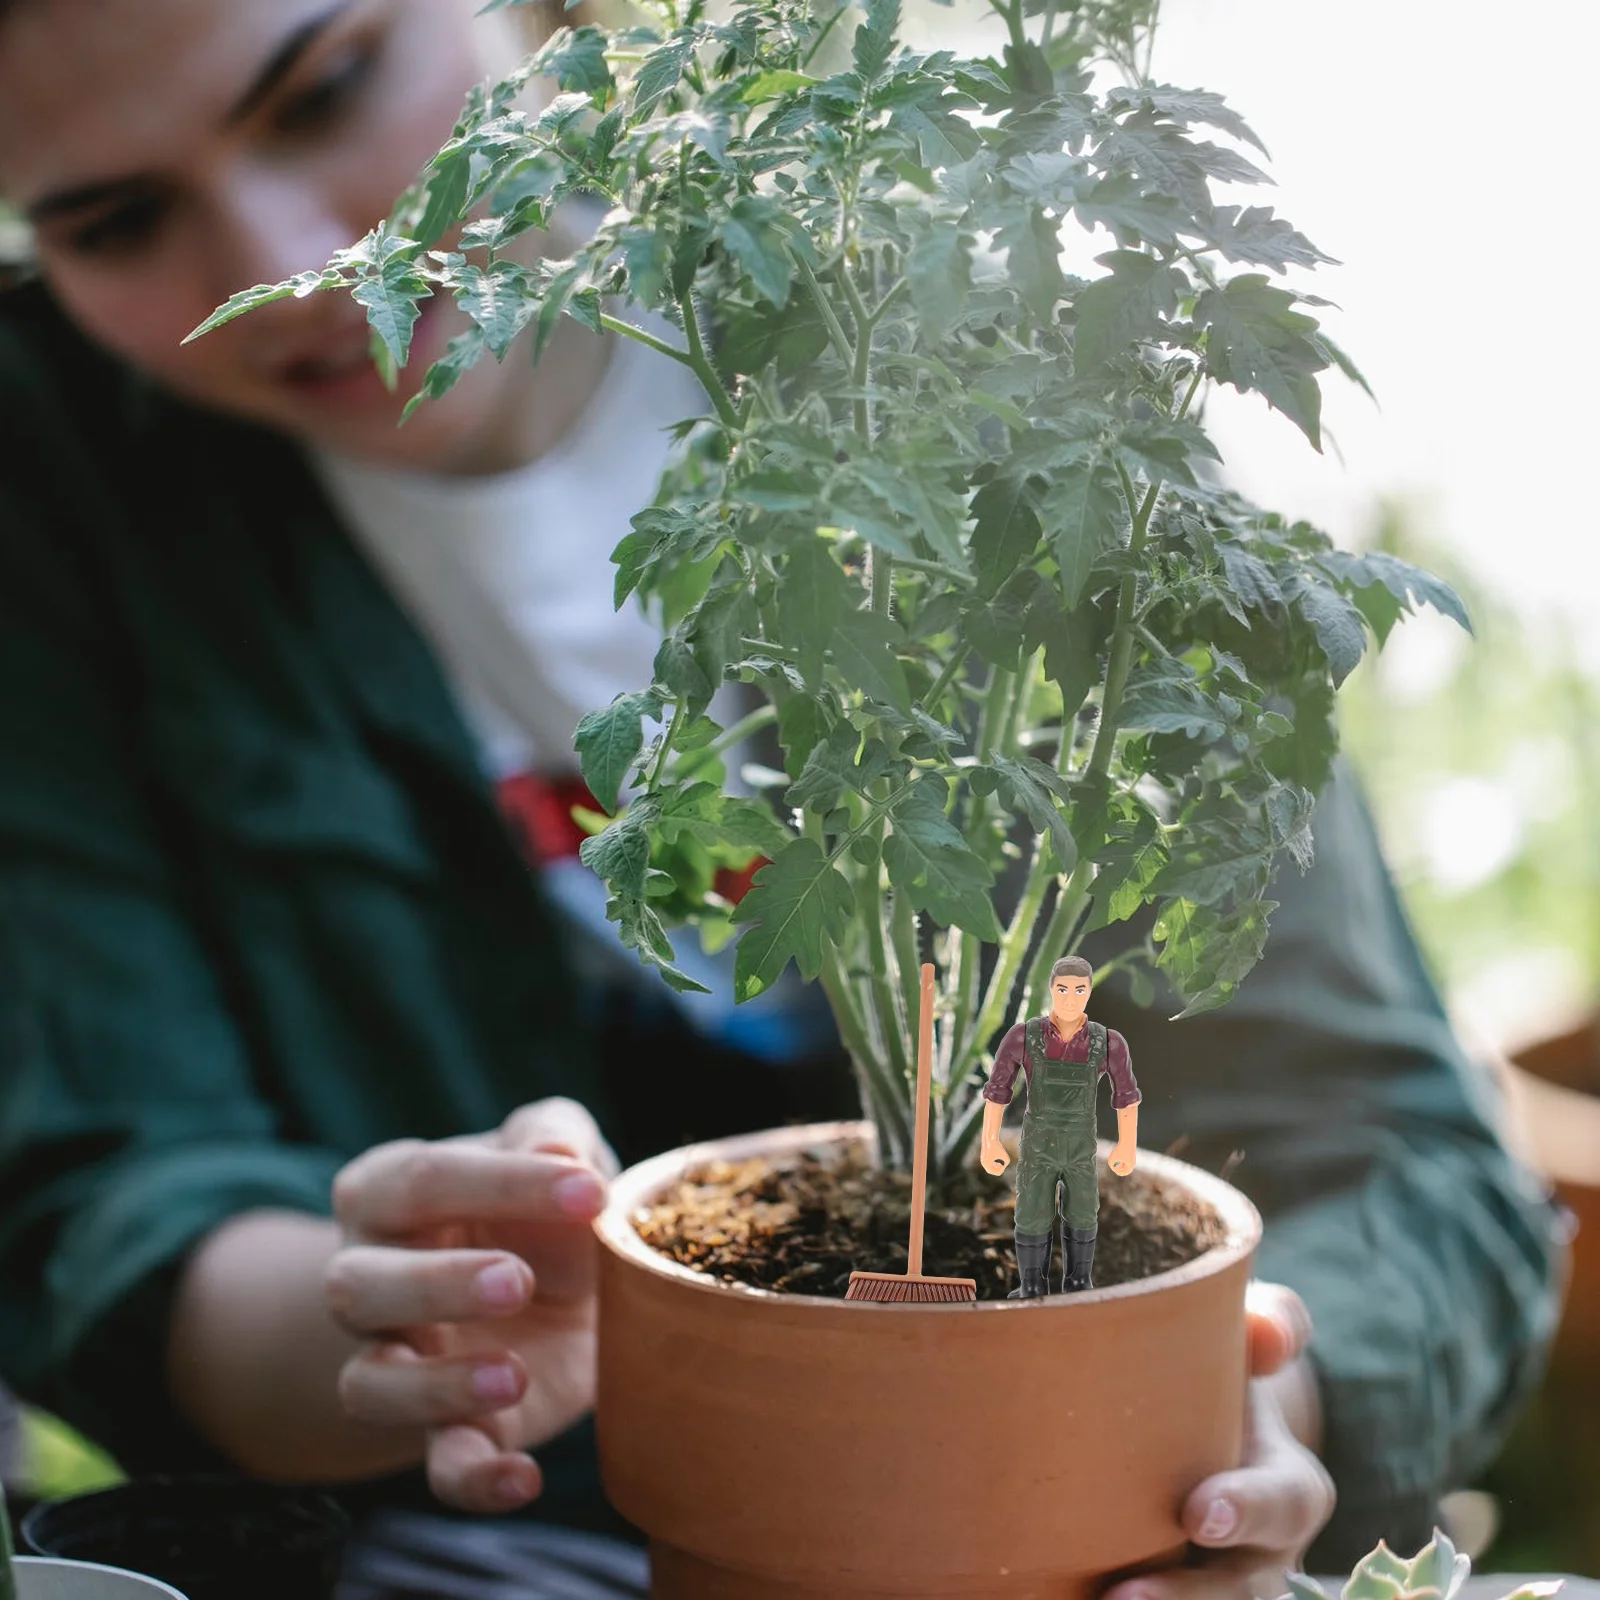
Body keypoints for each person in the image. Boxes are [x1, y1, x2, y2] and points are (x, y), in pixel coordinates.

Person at [0, 0, 1568, 1593]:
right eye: (114, 218)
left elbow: (1398, 1160)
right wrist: (409, 1311)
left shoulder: (989, 361)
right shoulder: (54, 481)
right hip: (470, 1543)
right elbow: (101, 1199)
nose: (294, 256)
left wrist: (1237, 1418)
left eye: (326, 89)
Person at [980, 955, 1140, 1296]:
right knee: (1032, 1211)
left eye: (1079, 990)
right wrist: (989, 1141)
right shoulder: (1024, 1037)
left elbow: (1126, 1095)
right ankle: (1031, 1284)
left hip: (1081, 1147)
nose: (1070, 998)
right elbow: (997, 1091)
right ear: (1051, 989)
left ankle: (1078, 1281)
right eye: (1063, 989)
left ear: (1089, 993)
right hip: (1038, 1145)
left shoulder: (1106, 1042)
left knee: (1083, 1212)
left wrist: (1127, 1144)